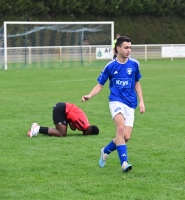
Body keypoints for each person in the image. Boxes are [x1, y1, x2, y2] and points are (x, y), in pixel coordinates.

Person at [81, 36, 145, 172]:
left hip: (130, 103)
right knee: (120, 129)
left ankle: (106, 150)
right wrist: (89, 95)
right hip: (115, 100)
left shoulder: (134, 64)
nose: (129, 50)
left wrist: (141, 101)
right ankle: (124, 163)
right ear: (118, 48)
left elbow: (137, 83)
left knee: (125, 137)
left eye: (130, 47)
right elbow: (100, 85)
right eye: (126, 47)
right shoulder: (110, 66)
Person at [27, 102, 99, 137]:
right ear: (89, 131)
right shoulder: (83, 126)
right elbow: (71, 114)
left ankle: (37, 127)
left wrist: (71, 123)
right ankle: (37, 129)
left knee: (61, 131)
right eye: (89, 135)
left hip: (62, 107)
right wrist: (71, 123)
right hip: (61, 110)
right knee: (62, 133)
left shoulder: (86, 123)